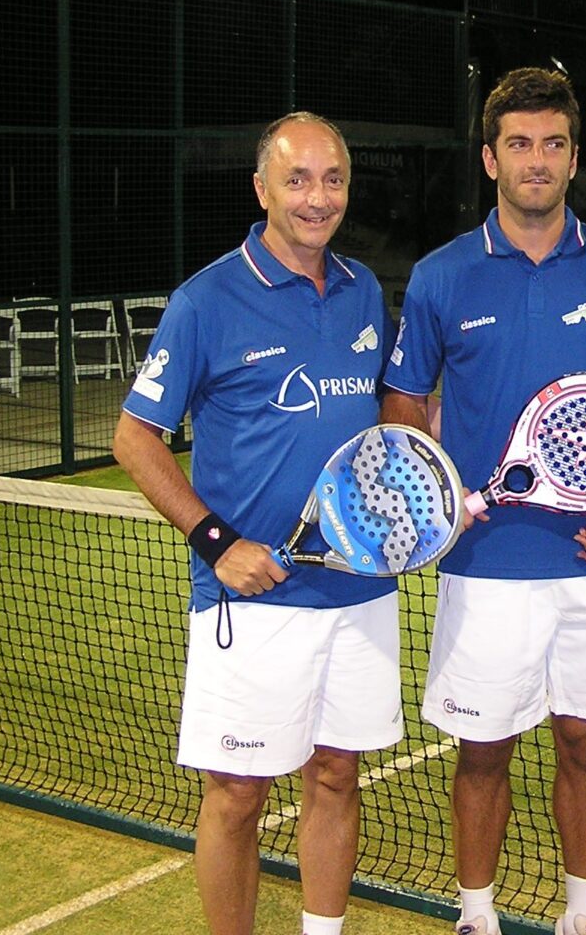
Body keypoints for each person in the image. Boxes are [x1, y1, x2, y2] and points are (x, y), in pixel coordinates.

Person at [380, 67, 586, 935]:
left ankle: (582, 918)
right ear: (491, 159)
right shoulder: (441, 277)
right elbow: (403, 402)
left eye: (553, 144)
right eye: (519, 144)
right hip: (485, 565)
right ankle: (476, 917)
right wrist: (434, 489)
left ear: (574, 158)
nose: (537, 160)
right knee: (483, 751)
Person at [113, 113, 401, 935]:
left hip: (358, 588)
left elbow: (386, 420)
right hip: (253, 598)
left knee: (337, 774)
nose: (318, 198)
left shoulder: (363, 291)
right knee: (238, 795)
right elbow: (134, 437)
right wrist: (217, 543)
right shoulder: (206, 300)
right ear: (262, 189)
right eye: (297, 179)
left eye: (333, 179)